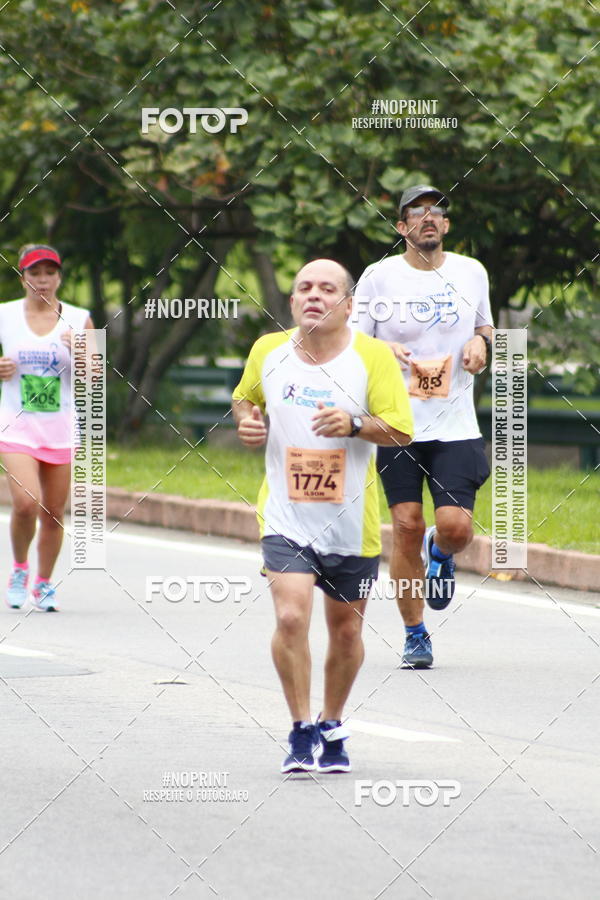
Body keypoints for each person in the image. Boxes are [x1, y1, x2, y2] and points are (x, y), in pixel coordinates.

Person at [232, 258, 413, 773]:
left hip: (350, 524)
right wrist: (248, 423)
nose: (314, 295)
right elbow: (244, 400)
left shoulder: (371, 356)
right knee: (290, 616)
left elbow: (401, 430)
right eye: (304, 288)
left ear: (348, 305)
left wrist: (355, 423)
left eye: (327, 288)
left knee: (347, 633)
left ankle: (332, 723)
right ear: (292, 302)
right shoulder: (268, 350)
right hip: (285, 517)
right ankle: (299, 728)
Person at [354, 184, 493, 669]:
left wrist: (481, 344)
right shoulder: (379, 277)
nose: (427, 219)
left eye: (436, 212)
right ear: (401, 227)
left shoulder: (471, 272)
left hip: (455, 422)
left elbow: (484, 327)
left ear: (446, 226)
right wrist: (381, 350)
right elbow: (353, 340)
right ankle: (415, 634)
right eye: (416, 213)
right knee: (406, 525)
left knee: (455, 528)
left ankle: (443, 551)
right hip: (398, 425)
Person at [0, 244, 93, 611]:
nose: (42, 280)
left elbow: (94, 377)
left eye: (49, 273)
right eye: (34, 273)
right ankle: (20, 568)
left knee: (53, 512)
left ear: (59, 277)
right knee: (26, 504)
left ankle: (43, 583)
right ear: (23, 277)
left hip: (59, 429)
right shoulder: (5, 315)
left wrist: (81, 352)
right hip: (16, 427)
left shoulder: (78, 317)